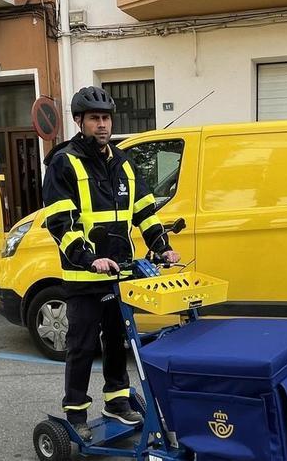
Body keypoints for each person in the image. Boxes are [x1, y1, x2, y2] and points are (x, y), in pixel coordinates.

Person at [41, 86, 181, 441]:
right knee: (83, 345)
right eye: (94, 119)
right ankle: (75, 412)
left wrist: (161, 246)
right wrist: (90, 259)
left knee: (118, 341)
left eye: (105, 118)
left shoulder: (124, 162)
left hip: (120, 273)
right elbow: (61, 223)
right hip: (83, 276)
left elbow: (145, 212)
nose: (102, 125)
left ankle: (116, 402)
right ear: (79, 121)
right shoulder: (64, 163)